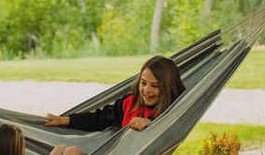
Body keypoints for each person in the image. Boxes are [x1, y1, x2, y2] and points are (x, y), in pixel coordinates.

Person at [44, 55, 185, 132]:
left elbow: (170, 127)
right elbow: (100, 118)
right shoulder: (129, 103)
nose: (146, 90)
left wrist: (149, 124)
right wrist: (66, 120)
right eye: (143, 83)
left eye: (155, 86)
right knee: (66, 150)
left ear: (167, 88)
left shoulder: (172, 109)